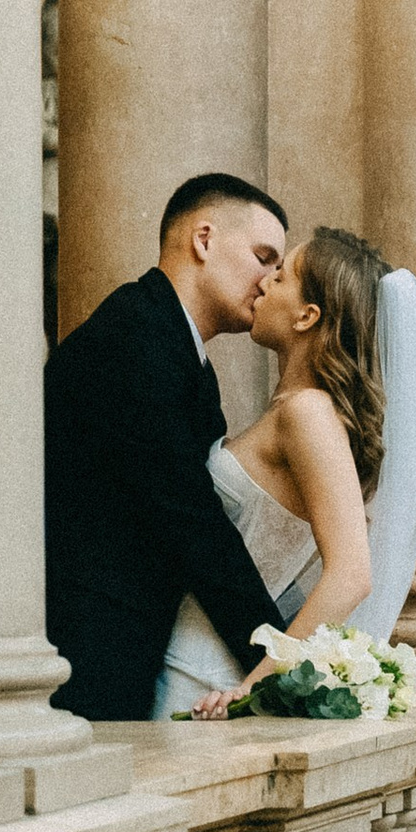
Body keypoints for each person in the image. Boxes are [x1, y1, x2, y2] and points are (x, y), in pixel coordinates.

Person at [44, 173, 295, 722]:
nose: (269, 283)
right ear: (203, 240)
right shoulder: (136, 336)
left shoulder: (174, 345)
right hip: (90, 655)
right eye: (262, 257)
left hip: (127, 645)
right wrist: (289, 667)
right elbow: (193, 521)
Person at [164, 224, 400, 717]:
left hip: (204, 679)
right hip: (192, 659)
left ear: (307, 315)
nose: (266, 280)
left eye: (284, 274)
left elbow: (351, 575)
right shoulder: (295, 410)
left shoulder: (308, 413)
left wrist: (253, 689)